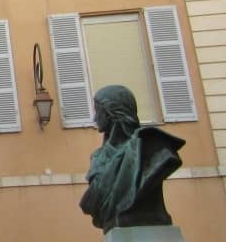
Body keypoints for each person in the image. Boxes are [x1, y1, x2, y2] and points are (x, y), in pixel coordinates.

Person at [79, 85, 185, 232]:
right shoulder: (98, 157)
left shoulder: (151, 148)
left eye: (98, 111)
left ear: (111, 113)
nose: (94, 118)